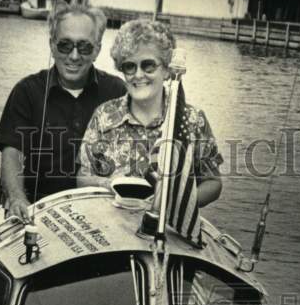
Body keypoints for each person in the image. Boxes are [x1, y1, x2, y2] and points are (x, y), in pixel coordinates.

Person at [0, 2, 126, 220]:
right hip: (37, 208)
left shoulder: (118, 91)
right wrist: (16, 197)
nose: (74, 56)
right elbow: (12, 154)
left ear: (98, 49)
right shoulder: (26, 91)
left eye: (84, 47)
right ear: (52, 45)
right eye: (65, 45)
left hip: (101, 213)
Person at [77, 19, 222, 208]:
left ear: (167, 70)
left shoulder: (192, 120)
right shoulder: (103, 115)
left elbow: (213, 184)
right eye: (130, 66)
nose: (138, 75)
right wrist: (107, 184)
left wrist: (173, 205)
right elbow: (82, 177)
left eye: (148, 65)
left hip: (167, 225)